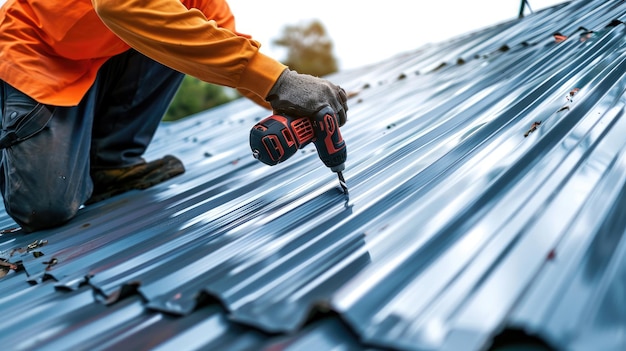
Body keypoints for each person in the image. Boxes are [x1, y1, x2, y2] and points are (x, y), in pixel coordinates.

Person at [0, 0, 348, 233]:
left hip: (107, 53)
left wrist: (297, 96)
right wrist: (280, 82)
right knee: (45, 208)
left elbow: (232, 47)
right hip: (40, 52)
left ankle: (109, 165)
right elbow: (120, 4)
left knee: (197, 34)